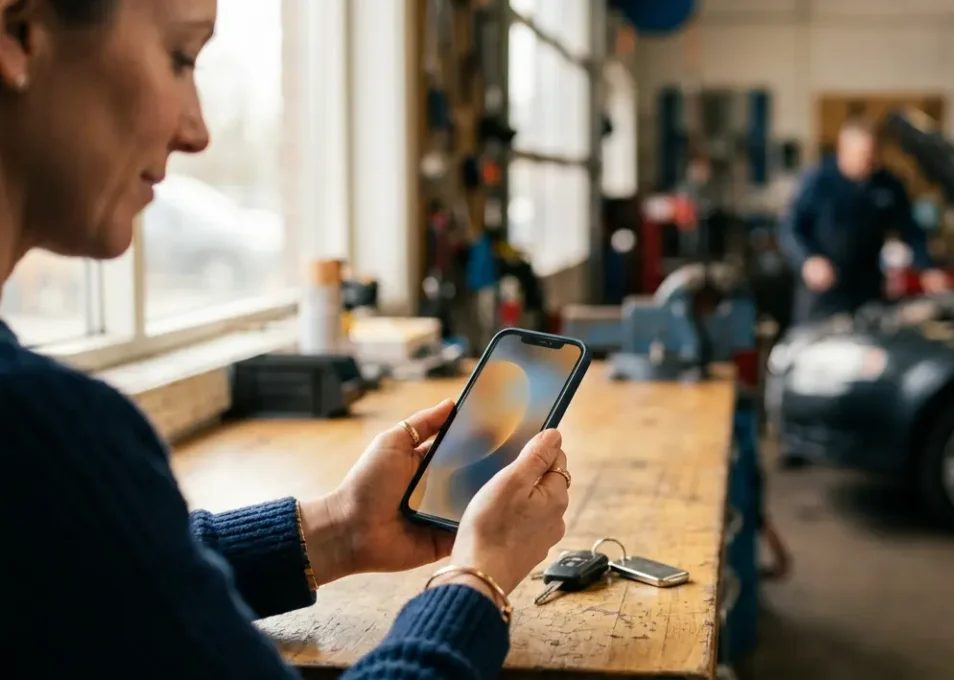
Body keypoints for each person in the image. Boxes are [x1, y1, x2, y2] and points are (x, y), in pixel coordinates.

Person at [0, 1, 570, 677]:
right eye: (181, 58)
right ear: (20, 33)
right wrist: (477, 581)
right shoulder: (39, 429)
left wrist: (343, 529)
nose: (198, 131)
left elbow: (90, 577)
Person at [779, 116, 950, 323]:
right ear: (843, 151)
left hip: (867, 290)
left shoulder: (887, 185)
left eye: (871, 154)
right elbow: (790, 228)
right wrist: (807, 260)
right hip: (823, 292)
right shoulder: (817, 181)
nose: (868, 161)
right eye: (861, 155)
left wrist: (928, 268)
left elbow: (911, 229)